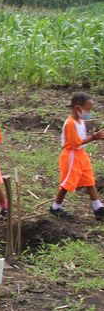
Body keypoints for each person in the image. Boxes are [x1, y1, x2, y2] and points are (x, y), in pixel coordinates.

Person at [50, 92, 104, 220]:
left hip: (81, 154)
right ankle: (55, 207)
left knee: (89, 180)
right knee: (67, 183)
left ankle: (97, 207)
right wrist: (93, 138)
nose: (89, 112)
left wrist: (93, 137)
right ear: (78, 108)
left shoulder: (80, 121)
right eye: (88, 109)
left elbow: (80, 140)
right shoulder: (70, 123)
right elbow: (74, 143)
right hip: (72, 155)